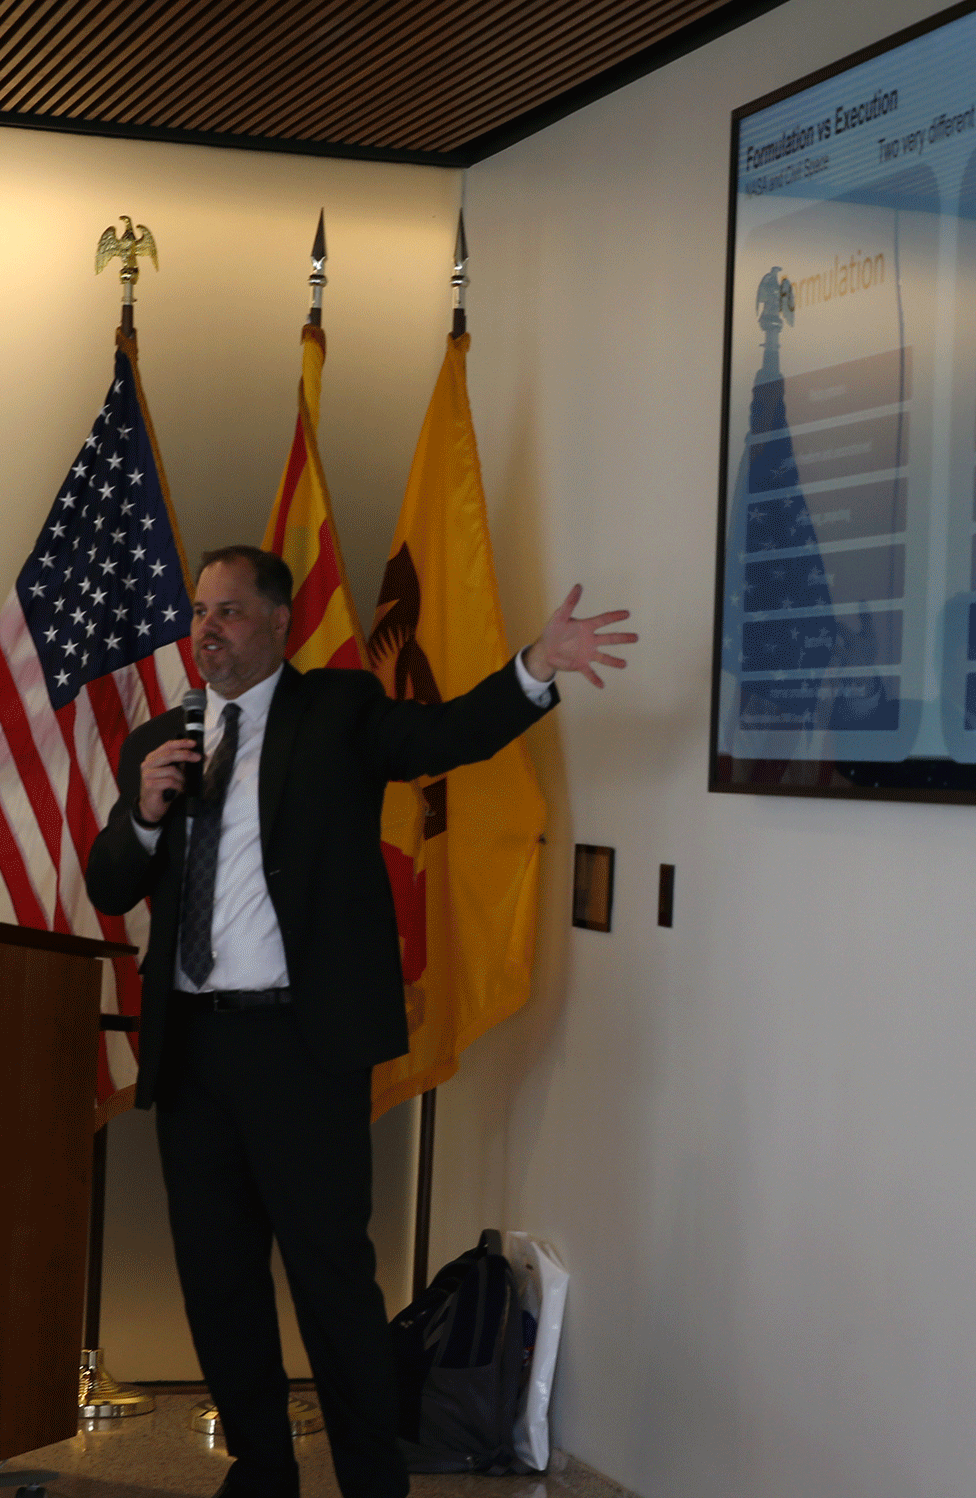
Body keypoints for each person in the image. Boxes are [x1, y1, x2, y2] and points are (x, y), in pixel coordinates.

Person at [86, 544, 634, 1498]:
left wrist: (534, 668)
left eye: (229, 611)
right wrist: (141, 812)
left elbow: (444, 737)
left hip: (301, 1048)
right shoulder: (159, 743)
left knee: (330, 1277)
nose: (207, 628)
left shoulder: (333, 712)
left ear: (277, 623)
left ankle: (370, 1479)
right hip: (195, 1049)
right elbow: (109, 880)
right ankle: (261, 1467)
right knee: (218, 1280)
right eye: (199, 612)